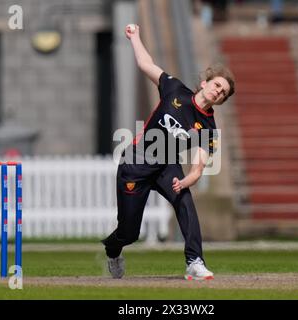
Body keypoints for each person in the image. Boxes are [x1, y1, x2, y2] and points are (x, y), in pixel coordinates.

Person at [101, 24, 235, 280]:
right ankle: (113, 249)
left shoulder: (209, 128)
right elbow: (145, 64)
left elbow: (198, 167)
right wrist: (135, 37)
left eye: (223, 93)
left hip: (167, 166)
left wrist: (185, 181)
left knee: (186, 203)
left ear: (221, 100)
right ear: (205, 83)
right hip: (136, 162)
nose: (218, 91)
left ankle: (195, 262)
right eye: (217, 85)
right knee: (129, 232)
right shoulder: (175, 89)